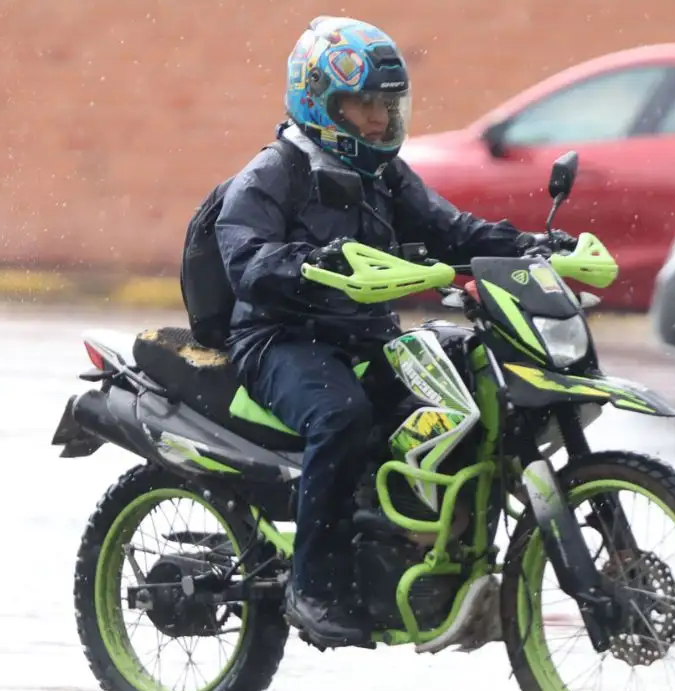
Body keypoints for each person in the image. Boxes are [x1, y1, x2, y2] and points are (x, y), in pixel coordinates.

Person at [215, 15, 577, 648]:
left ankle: (412, 538)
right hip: (280, 340)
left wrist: (526, 245)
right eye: (364, 105)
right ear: (320, 103)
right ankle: (313, 584)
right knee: (341, 416)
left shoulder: (384, 175)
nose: (380, 120)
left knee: (460, 389)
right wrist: (304, 264)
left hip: (361, 335)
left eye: (388, 105)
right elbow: (242, 253)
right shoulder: (275, 172)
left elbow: (453, 229)